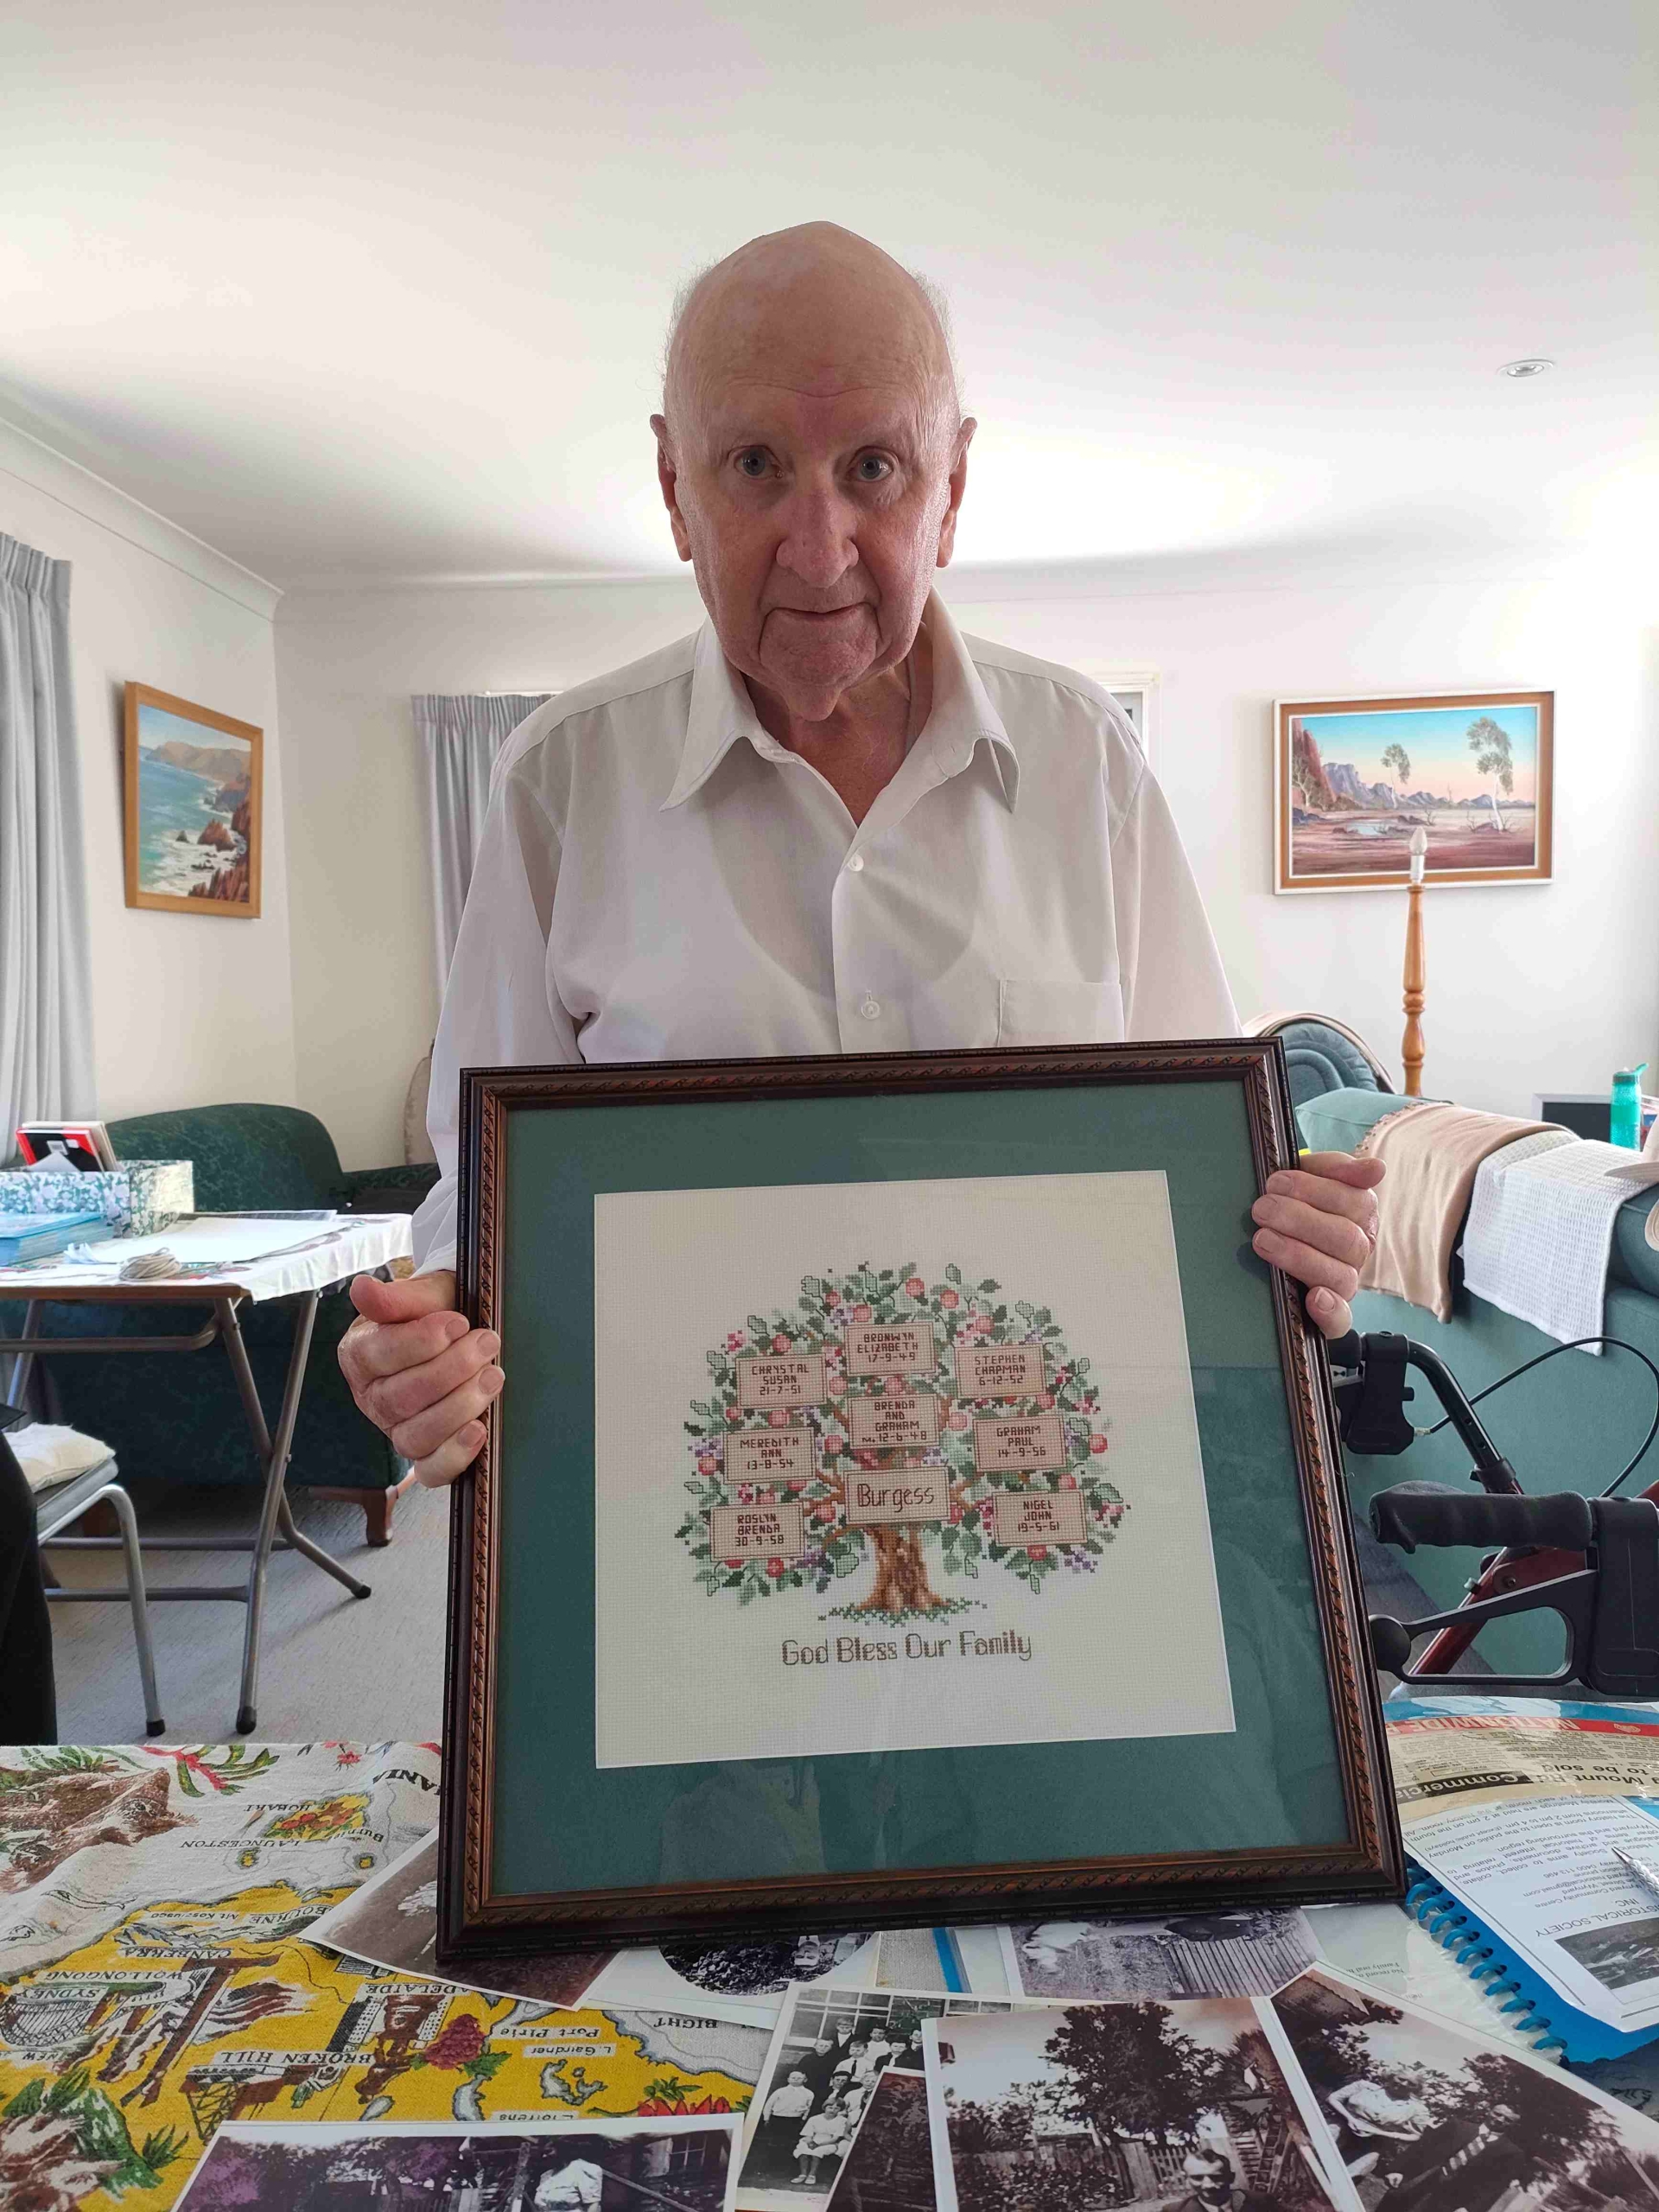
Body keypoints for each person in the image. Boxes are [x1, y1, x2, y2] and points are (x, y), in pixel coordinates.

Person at [338, 222, 1384, 1478]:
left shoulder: (1088, 760)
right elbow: (486, 1189)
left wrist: (1292, 1234)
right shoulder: (556, 783)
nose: (820, 546)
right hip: (703, 1490)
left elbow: (1204, 1163)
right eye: (756, 465)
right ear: (674, 488)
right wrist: (436, 1331)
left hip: (1041, 1477)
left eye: (875, 466)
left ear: (953, 489)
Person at [1325, 2075, 1434, 2178]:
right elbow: (1333, 2098)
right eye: (1401, 2079)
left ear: (1417, 2088)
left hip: (1374, 2142)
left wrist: (1381, 2133)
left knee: (1357, 2169)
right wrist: (1350, 2118)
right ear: (1391, 2077)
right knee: (1325, 2141)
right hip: (1341, 2124)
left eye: (1412, 2084)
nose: (1404, 2084)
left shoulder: (1418, 2109)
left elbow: (1415, 2135)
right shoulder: (1364, 2086)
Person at [1173, 2146, 1281, 2212]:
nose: (1208, 2185)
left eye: (1216, 2177)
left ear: (1231, 2177)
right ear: (1187, 2181)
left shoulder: (1262, 2202)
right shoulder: (1173, 2211)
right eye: (1198, 2178)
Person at [754, 2069, 818, 2177]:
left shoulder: (808, 2093)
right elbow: (769, 2105)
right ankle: (768, 2167)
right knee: (774, 2143)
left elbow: (808, 2108)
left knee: (789, 2144)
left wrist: (803, 2119)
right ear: (788, 2079)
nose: (796, 2080)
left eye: (799, 2078)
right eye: (793, 2078)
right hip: (777, 2119)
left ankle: (784, 2169)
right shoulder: (780, 2091)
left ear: (805, 2080)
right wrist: (766, 2118)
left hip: (795, 2120)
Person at [793, 2095, 852, 2188]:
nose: (832, 2110)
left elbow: (835, 2138)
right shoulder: (814, 2119)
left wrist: (819, 2144)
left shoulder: (842, 2121)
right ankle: (803, 2174)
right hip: (813, 2139)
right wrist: (810, 2142)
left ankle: (812, 2175)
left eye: (836, 2108)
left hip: (829, 2142)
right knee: (803, 2149)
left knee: (818, 2151)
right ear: (825, 2107)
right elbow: (808, 2134)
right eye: (830, 2107)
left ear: (840, 2110)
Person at [532, 2151, 606, 2209]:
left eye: (549, 2151)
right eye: (543, 2153)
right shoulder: (546, 2176)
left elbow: (592, 2205)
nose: (544, 2156)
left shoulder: (581, 2169)